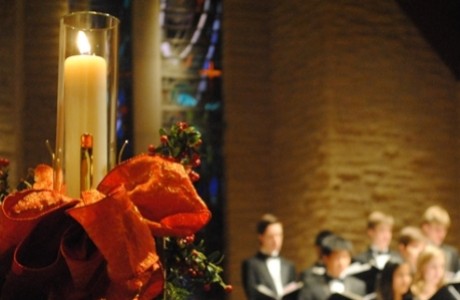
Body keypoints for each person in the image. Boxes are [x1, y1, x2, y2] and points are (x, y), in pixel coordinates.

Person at [241, 214, 299, 300]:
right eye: (271, 236)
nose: (276, 240)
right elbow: (252, 295)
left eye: (279, 235)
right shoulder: (250, 265)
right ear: (261, 237)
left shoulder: (289, 266)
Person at [298, 234, 367, 300]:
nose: (341, 263)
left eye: (345, 257)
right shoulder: (311, 286)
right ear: (325, 258)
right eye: (337, 258)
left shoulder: (359, 286)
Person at [353, 211, 401, 294]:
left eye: (389, 231)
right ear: (371, 232)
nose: (386, 236)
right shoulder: (359, 260)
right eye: (382, 231)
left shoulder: (399, 259)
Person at [420, 205, 460, 278]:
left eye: (445, 230)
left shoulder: (451, 254)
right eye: (438, 230)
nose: (442, 235)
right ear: (425, 228)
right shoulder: (417, 252)